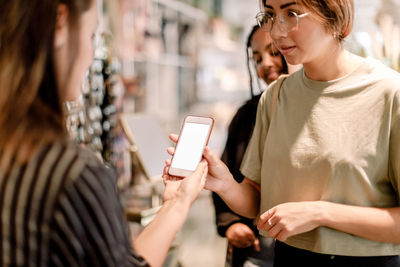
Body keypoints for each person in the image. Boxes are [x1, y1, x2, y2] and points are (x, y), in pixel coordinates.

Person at [166, 0, 400, 266]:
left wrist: (320, 213)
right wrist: (224, 183)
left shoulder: (389, 94)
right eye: (270, 15)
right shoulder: (276, 96)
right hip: (289, 258)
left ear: (335, 18)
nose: (276, 33)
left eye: (291, 14)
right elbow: (256, 201)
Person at [0, 0, 207, 266]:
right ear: (60, 24)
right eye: (91, 36)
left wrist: (175, 203)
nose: (90, 55)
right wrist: (179, 203)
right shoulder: (71, 174)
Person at [212, 25, 288, 267]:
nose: (265, 64)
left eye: (274, 51)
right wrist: (231, 223)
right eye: (257, 58)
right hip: (254, 248)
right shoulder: (247, 114)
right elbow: (231, 175)